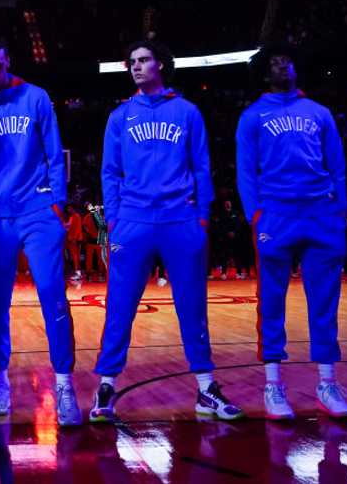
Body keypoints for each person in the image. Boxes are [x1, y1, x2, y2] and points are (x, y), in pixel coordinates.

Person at [91, 40, 242, 424]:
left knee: (192, 307)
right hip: (134, 221)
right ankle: (106, 384)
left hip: (181, 220)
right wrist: (115, 219)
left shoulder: (187, 112)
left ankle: (206, 387)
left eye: (144, 60)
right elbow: (110, 171)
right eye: (133, 62)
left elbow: (201, 166)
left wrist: (202, 217)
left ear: (161, 65)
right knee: (120, 306)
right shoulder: (119, 116)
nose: (136, 67)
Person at [236, 43, 347, 420]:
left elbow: (337, 165)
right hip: (276, 214)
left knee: (325, 301)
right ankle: (273, 385)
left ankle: (327, 382)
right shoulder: (252, 116)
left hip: (321, 212)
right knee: (271, 302)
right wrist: (256, 214)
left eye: (286, 59)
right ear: (264, 71)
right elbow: (246, 170)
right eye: (273, 61)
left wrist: (339, 210)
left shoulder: (319, 112)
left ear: (296, 67)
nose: (281, 65)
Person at [0, 38, 81, 426]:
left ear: (8, 62)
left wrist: (57, 203)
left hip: (37, 211)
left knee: (53, 296)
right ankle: (0, 381)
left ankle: (65, 384)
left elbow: (54, 150)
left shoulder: (36, 97)